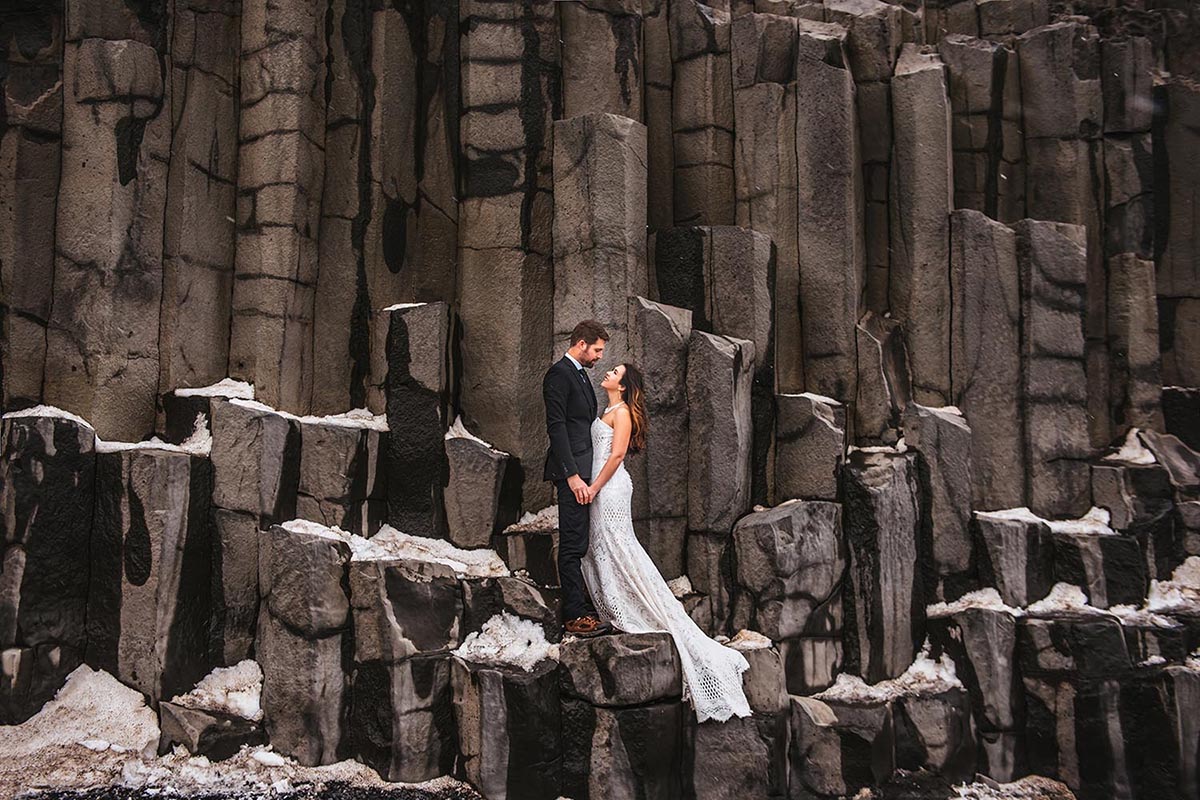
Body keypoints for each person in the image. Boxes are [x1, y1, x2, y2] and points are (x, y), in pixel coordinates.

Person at [582, 362, 753, 723]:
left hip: (610, 489)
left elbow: (616, 455)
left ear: (624, 386)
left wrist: (595, 487)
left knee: (618, 547)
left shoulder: (623, 413)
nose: (609, 373)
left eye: (615, 371)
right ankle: (617, 604)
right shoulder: (609, 409)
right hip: (603, 486)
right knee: (603, 548)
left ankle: (638, 608)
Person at [542, 320, 613, 638]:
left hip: (586, 472)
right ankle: (573, 617)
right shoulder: (559, 374)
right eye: (597, 349)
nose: (600, 356)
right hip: (573, 475)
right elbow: (556, 428)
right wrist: (572, 476)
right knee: (572, 544)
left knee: (581, 541)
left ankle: (583, 607)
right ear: (581, 344)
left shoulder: (581, 375)